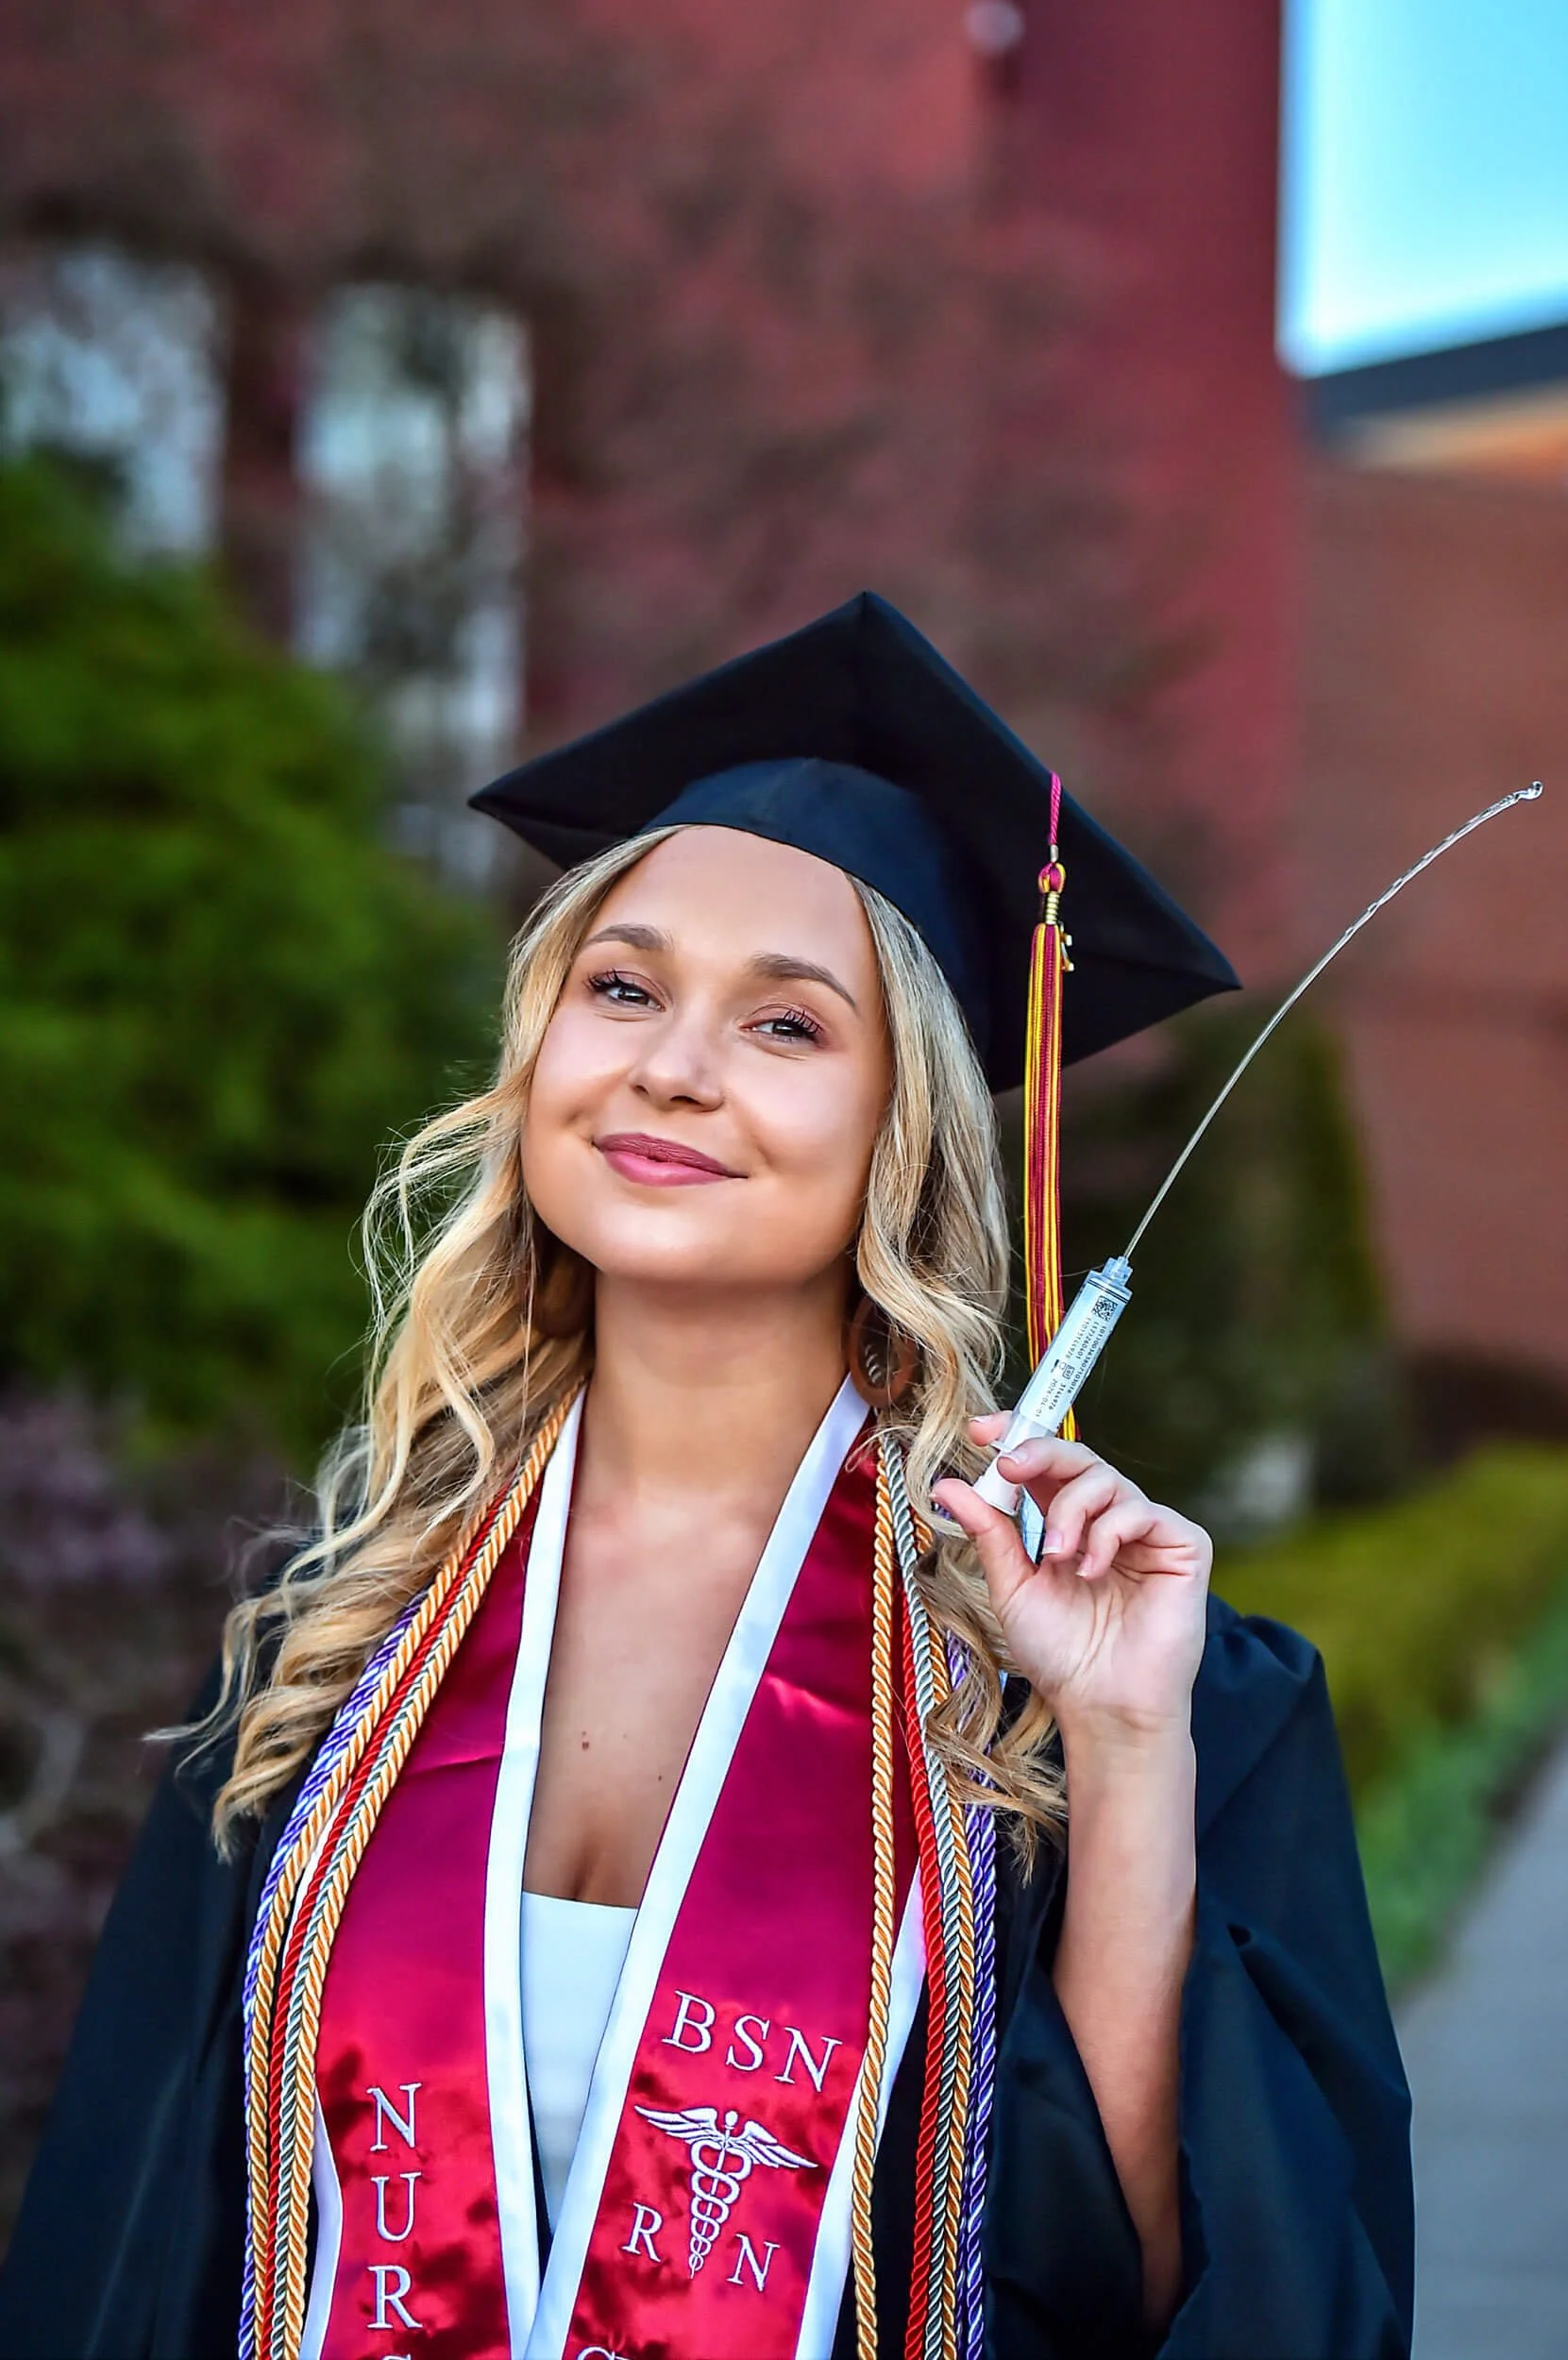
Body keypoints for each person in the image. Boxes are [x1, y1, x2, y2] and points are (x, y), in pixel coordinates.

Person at [0, 593, 1413, 2360]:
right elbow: (132, 2254)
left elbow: (1173, 2296)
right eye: (623, 985)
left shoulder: (1088, 1690)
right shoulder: (333, 1645)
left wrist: (1132, 1761)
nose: (669, 1065)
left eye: (787, 1025)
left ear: (914, 1126)